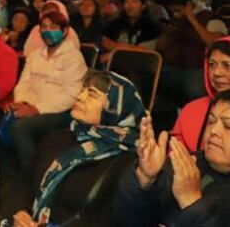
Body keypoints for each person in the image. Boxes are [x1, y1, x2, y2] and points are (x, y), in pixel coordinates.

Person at [8, 70, 146, 227]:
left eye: (92, 94)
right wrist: (21, 211)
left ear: (115, 109)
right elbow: (25, 182)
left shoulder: (127, 163)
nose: (80, 96)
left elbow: (112, 220)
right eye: (82, 90)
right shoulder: (57, 137)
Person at [116, 88, 230, 226]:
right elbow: (130, 219)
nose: (214, 131)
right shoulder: (190, 163)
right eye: (211, 121)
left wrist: (191, 200)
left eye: (229, 126)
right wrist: (146, 180)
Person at [7, 10, 87, 175]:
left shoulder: (74, 57)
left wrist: (37, 109)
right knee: (4, 120)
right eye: (44, 27)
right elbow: (24, 83)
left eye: (53, 27)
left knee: (20, 128)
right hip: (31, 105)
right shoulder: (35, 55)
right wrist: (22, 102)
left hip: (62, 112)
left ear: (64, 31)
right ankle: (10, 174)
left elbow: (71, 95)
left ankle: (33, 177)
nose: (48, 31)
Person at [172, 36, 230, 151]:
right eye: (212, 64)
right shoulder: (192, 110)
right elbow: (174, 155)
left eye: (227, 65)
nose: (217, 72)